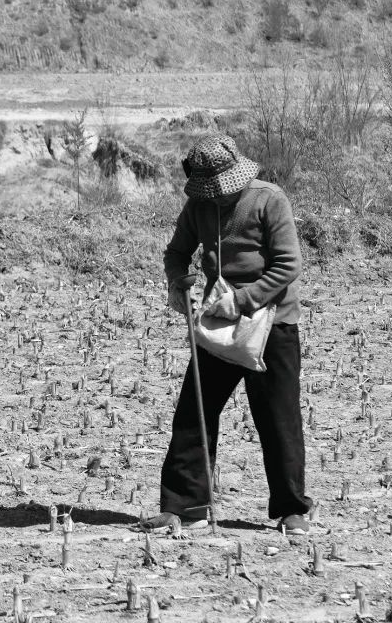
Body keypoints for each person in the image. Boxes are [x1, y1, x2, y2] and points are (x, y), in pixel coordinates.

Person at [141, 132, 312, 536]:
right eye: (211, 192)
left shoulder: (270, 199)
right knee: (193, 412)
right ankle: (186, 507)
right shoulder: (197, 206)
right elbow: (176, 253)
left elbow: (288, 264)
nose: (218, 197)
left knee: (278, 418)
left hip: (273, 322)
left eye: (224, 190)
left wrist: (242, 300)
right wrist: (177, 282)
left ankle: (292, 510)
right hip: (219, 324)